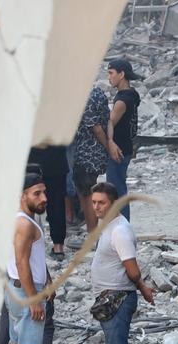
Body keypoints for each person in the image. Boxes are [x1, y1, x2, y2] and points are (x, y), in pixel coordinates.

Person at [88, 182, 155, 344]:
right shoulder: (108, 226)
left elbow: (132, 270)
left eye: (101, 202)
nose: (96, 207)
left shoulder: (119, 231)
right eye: (94, 202)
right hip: (109, 298)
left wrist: (144, 288)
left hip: (117, 299)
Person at [2, 170, 55, 344]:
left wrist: (47, 279)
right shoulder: (24, 223)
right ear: (23, 195)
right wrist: (35, 299)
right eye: (37, 193)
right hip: (26, 292)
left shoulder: (21, 220)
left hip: (16, 289)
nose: (44, 198)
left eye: (44, 192)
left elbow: (30, 260)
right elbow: (23, 263)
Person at [105, 59, 142, 220]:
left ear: (122, 75)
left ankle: (122, 224)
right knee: (119, 187)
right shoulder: (132, 94)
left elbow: (110, 123)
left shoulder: (122, 101)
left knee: (116, 190)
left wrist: (110, 143)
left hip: (118, 150)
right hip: (126, 146)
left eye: (111, 73)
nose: (108, 77)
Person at [71, 85, 111, 233]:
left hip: (87, 152)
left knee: (87, 193)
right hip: (95, 152)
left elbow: (95, 127)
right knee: (88, 190)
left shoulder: (86, 95)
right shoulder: (98, 91)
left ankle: (92, 232)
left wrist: (108, 146)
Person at [29, 148, 69, 259]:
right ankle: (58, 247)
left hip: (33, 161)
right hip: (56, 163)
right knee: (57, 205)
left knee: (29, 204)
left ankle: (29, 242)